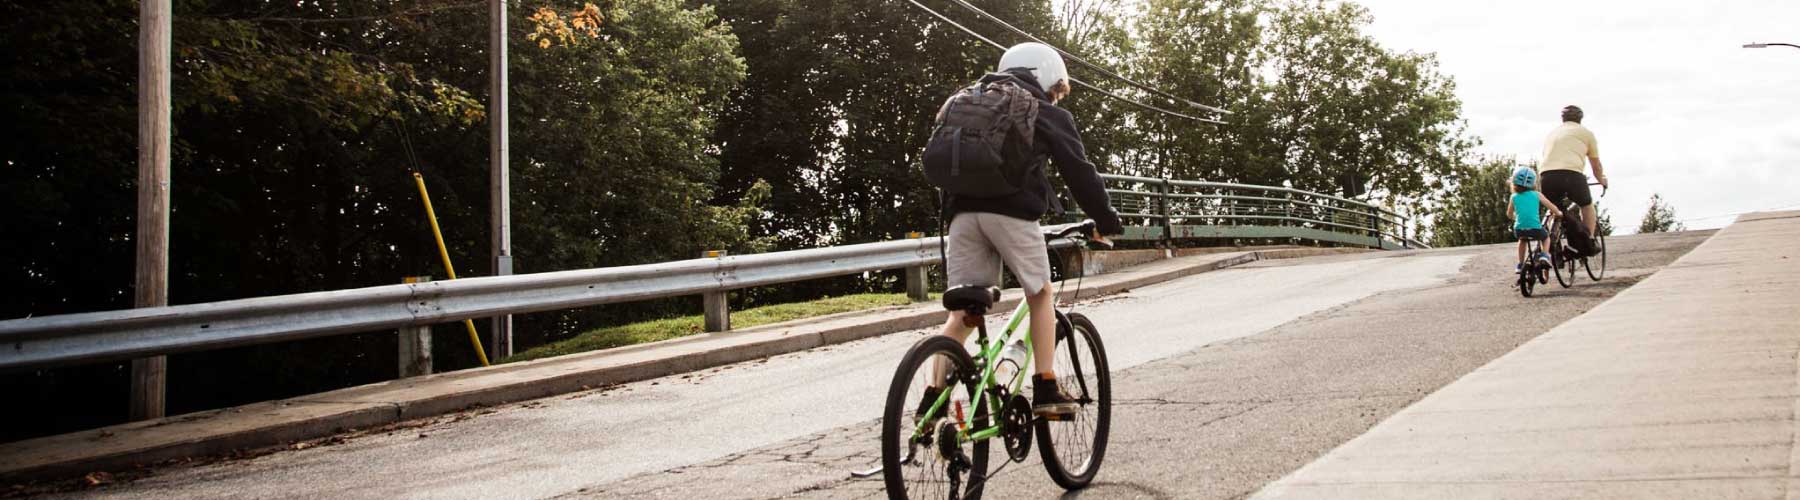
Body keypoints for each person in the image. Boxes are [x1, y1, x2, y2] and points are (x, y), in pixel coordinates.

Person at [928, 42, 1123, 419]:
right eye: (1056, 90)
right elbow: (1080, 173)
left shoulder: (968, 101)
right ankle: (1046, 386)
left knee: (964, 312)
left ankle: (931, 402)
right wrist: (1107, 221)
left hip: (962, 216)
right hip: (1012, 215)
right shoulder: (1043, 112)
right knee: (1040, 293)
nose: (1055, 98)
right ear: (1046, 77)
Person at [1538, 105, 1607, 247]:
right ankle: (1589, 241)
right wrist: (1602, 180)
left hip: (1546, 175)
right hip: (1572, 174)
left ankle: (1551, 243)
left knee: (1554, 209)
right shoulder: (1586, 133)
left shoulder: (1552, 133)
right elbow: (1596, 166)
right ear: (1580, 119)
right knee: (1586, 205)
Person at [1508, 166, 1562, 273]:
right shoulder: (1537, 195)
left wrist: (1516, 218)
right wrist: (1558, 213)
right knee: (1546, 238)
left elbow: (1509, 214)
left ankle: (1520, 264)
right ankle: (1544, 256)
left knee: (1522, 240)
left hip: (1519, 229)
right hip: (1535, 229)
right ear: (1533, 183)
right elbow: (1551, 207)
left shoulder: (1513, 197)